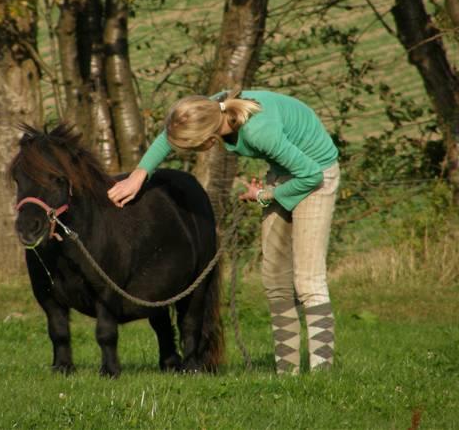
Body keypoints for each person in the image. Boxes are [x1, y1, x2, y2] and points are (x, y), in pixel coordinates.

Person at [107, 89, 340, 375]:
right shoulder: (211, 108)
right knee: (275, 281)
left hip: (317, 174)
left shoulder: (258, 132)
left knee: (307, 281)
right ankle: (288, 373)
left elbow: (310, 175)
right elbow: (171, 135)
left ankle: (321, 374)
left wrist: (265, 196)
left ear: (207, 141)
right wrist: (139, 174)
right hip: (284, 172)